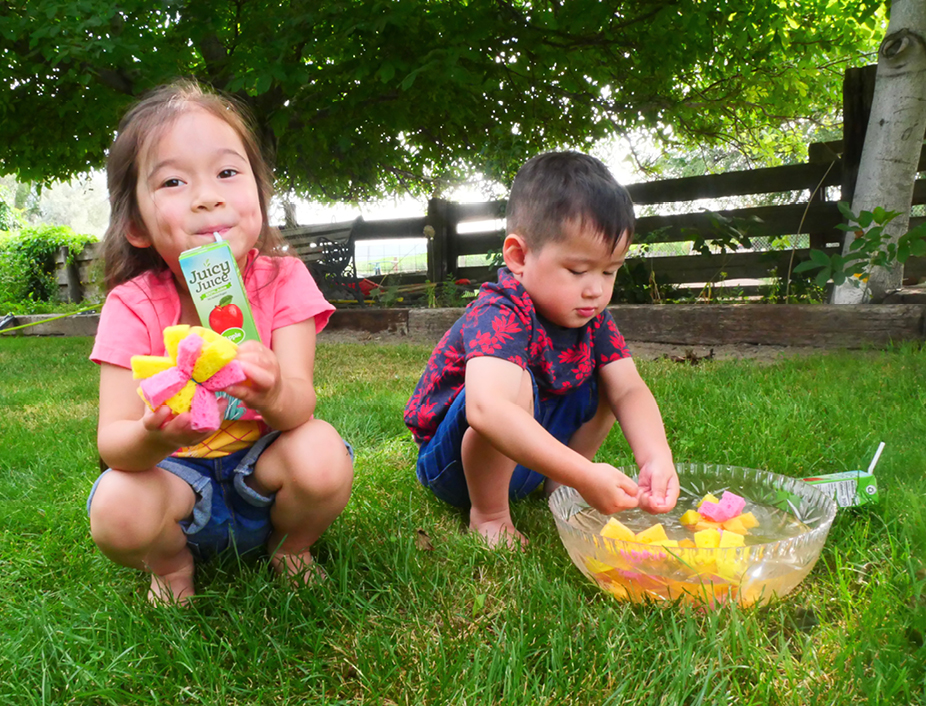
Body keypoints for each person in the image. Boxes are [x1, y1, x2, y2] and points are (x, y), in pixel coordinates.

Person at [87, 80, 353, 604]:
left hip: (264, 473)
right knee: (116, 505)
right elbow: (112, 442)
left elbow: (300, 404)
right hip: (176, 487)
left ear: (257, 193)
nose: (208, 196)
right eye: (173, 182)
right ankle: (169, 565)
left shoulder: (284, 280)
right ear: (137, 225)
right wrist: (156, 434)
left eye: (228, 172)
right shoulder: (131, 305)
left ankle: (292, 546)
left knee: (322, 451)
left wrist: (272, 391)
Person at [404, 151, 678, 548]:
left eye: (610, 271)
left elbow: (629, 389)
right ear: (519, 256)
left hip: (526, 458)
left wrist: (655, 456)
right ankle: (490, 515)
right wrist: (585, 473)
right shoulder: (500, 310)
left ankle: (558, 487)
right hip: (455, 470)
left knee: (607, 381)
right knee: (512, 389)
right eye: (578, 270)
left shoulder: (592, 317)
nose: (596, 289)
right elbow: (485, 409)